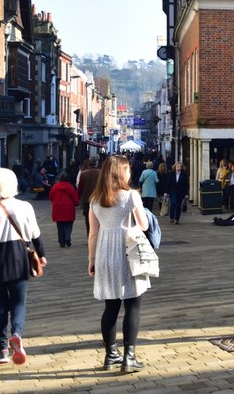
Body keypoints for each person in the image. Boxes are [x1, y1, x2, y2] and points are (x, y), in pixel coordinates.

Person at [0, 167, 47, 365]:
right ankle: (17, 333)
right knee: (18, 303)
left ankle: (3, 349)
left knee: (0, 306)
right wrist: (41, 256)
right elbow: (35, 235)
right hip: (19, 259)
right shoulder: (25, 207)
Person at [88, 155, 151, 372]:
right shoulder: (131, 196)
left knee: (110, 306)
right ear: (122, 173)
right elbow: (143, 225)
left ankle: (110, 354)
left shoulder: (95, 199)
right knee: (133, 303)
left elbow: (93, 234)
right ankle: (129, 357)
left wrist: (91, 259)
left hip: (105, 253)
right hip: (127, 251)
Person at [49, 172, 80, 247]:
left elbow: (51, 196)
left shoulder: (55, 187)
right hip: (69, 208)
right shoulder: (70, 187)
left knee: (60, 226)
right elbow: (75, 199)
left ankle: (61, 242)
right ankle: (67, 236)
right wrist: (76, 204)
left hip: (58, 208)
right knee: (69, 224)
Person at [77, 158, 101, 236]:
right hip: (98, 198)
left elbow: (80, 187)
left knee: (88, 218)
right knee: (99, 217)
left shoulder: (83, 173)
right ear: (96, 163)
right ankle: (98, 234)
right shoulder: (100, 172)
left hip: (87, 199)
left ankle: (89, 234)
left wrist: (78, 197)